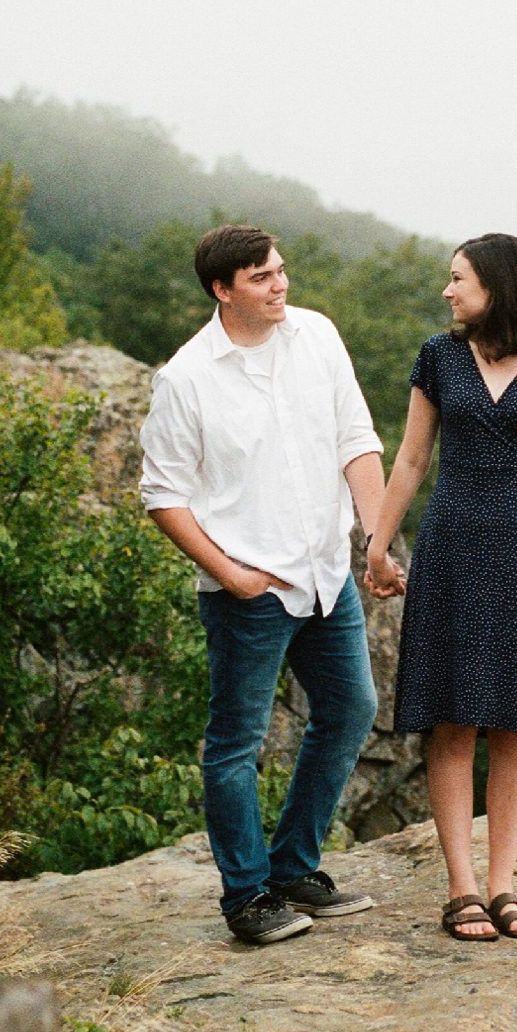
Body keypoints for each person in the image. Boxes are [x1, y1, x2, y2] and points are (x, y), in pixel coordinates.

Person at [138, 224, 405, 945]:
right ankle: (246, 897)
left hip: (326, 572)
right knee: (235, 745)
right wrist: (230, 574)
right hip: (247, 591)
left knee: (352, 708)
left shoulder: (316, 335)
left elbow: (358, 440)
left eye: (281, 270)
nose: (280, 284)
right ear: (223, 290)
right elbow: (163, 493)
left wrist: (374, 543)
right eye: (261, 277)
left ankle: (293, 867)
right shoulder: (187, 378)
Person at [361, 232, 517, 941]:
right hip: (452, 545)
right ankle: (460, 888)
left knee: (515, 720)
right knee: (454, 716)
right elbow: (410, 457)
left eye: (457, 277)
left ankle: (503, 885)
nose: (447, 289)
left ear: (496, 283)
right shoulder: (438, 354)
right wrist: (376, 544)